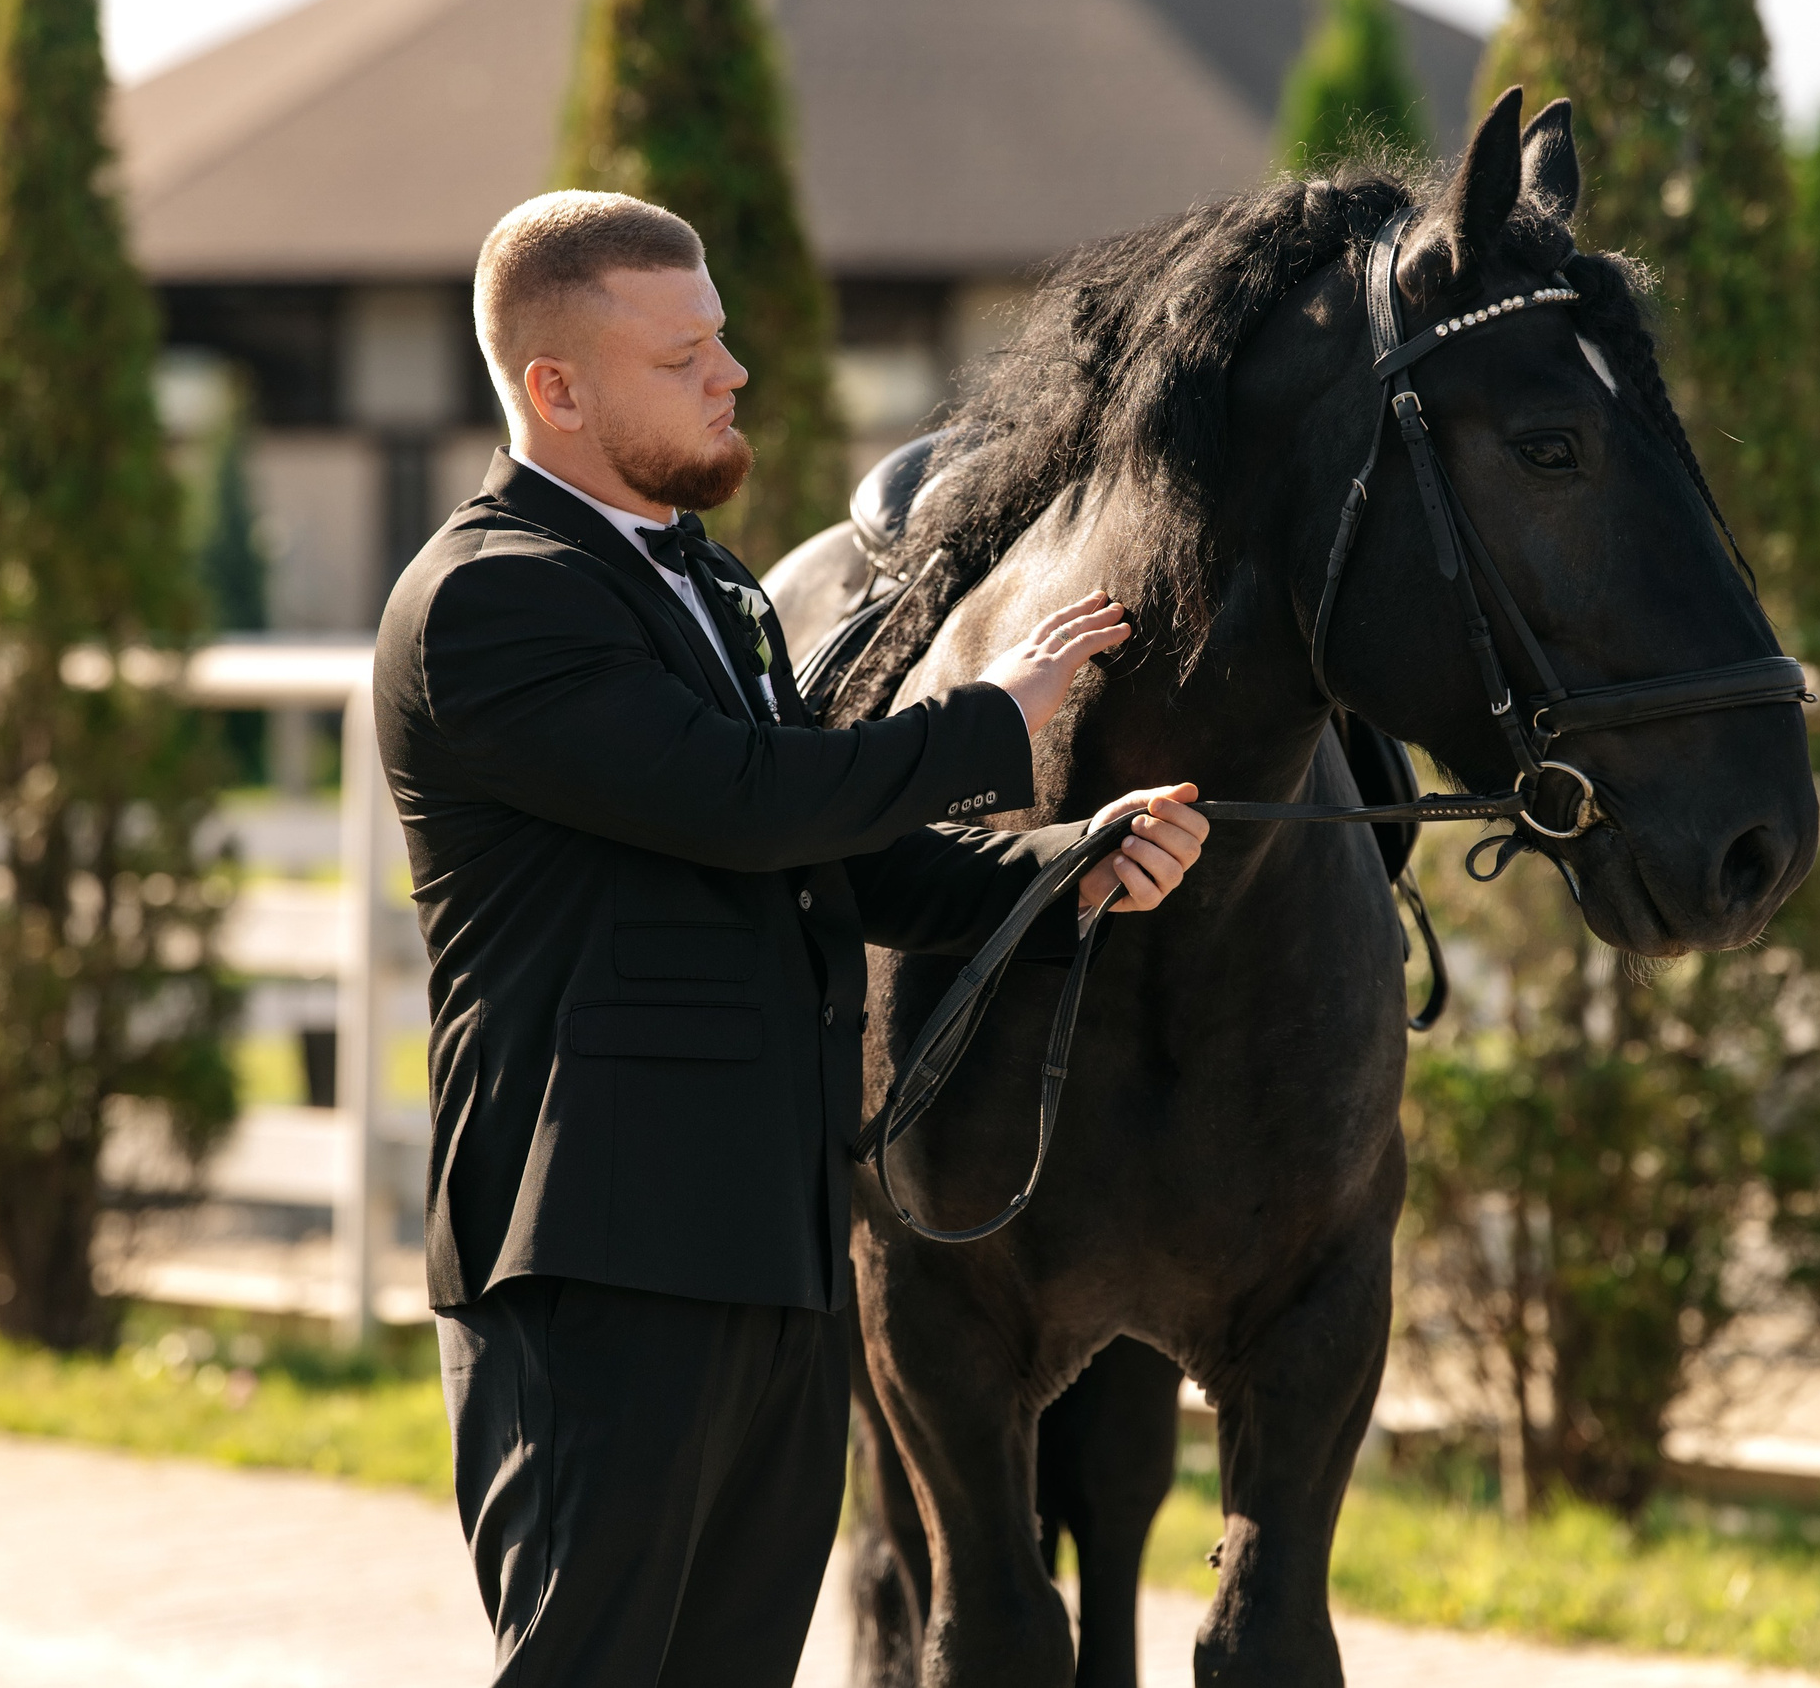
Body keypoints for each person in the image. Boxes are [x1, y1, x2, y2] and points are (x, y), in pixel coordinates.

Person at [373, 188, 1210, 1686]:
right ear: (554, 388)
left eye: (724, 342)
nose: (732, 374)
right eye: (683, 353)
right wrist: (989, 720)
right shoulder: (490, 599)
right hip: (596, 1252)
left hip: (776, 1243)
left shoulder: (708, 592)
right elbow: (749, 805)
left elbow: (831, 868)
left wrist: (1067, 873)